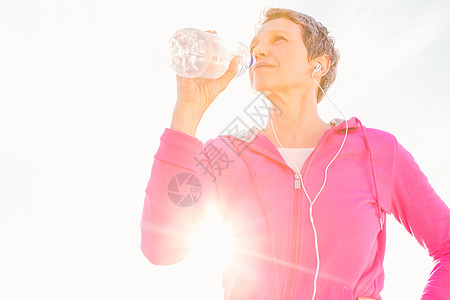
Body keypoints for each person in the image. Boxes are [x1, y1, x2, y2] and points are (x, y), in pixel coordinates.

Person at [140, 7, 450, 300]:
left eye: (278, 40)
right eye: (255, 45)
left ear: (318, 63)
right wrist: (188, 109)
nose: (259, 51)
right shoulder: (223, 155)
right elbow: (162, 247)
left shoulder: (376, 152)